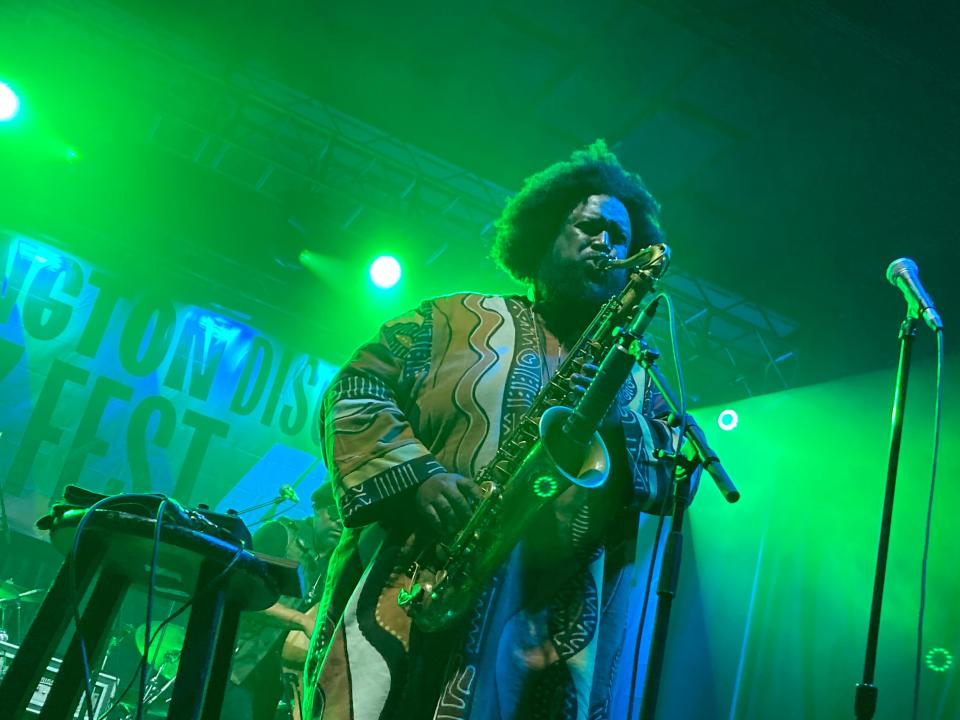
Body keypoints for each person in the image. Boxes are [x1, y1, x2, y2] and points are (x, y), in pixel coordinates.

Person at [307, 140, 686, 720]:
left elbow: (679, 474)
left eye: (620, 237)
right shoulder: (450, 319)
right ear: (541, 236)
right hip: (411, 592)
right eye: (589, 226)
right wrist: (418, 477)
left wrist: (613, 422)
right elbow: (353, 392)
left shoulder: (638, 378)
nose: (606, 242)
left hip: (544, 638)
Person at [222, 485, 342, 720]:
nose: (341, 523)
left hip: (275, 681)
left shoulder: (333, 565)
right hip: (233, 665)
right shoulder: (279, 534)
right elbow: (241, 596)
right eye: (335, 513)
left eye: (346, 519)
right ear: (317, 509)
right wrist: (302, 621)